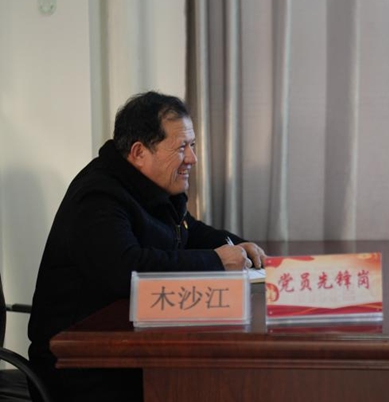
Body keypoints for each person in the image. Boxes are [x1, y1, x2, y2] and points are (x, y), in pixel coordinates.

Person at [28, 91, 266, 402]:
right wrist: (217, 261)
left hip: (132, 348)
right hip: (83, 369)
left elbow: (187, 230)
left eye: (192, 146)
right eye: (182, 148)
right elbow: (128, 268)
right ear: (140, 152)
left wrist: (236, 244)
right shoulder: (98, 196)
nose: (192, 158)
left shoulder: (151, 183)